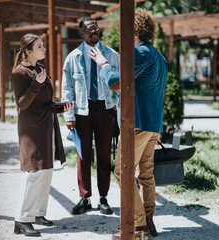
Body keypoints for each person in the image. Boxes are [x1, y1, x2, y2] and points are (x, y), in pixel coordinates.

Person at [88, 8, 168, 239]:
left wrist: (103, 64)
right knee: (146, 174)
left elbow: (115, 81)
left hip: (138, 123)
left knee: (122, 172)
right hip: (152, 125)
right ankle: (149, 222)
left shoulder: (140, 53)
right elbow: (159, 95)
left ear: (133, 30)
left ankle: (139, 225)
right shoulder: (158, 56)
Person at [11, 33, 74, 237]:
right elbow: (22, 103)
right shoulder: (19, 73)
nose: (44, 49)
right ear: (28, 50)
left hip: (47, 124)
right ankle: (22, 218)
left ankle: (38, 213)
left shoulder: (40, 68)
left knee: (46, 169)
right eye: (40, 46)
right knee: (34, 171)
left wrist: (62, 106)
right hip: (31, 129)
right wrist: (37, 83)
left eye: (43, 45)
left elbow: (44, 101)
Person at [62, 17, 120, 215]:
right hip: (82, 111)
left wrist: (116, 108)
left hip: (105, 109)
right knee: (83, 155)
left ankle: (103, 198)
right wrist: (69, 115)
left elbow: (118, 85)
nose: (94, 31)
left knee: (104, 154)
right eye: (90, 29)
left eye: (96, 28)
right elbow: (67, 89)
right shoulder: (73, 57)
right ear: (82, 33)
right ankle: (84, 197)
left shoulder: (112, 55)